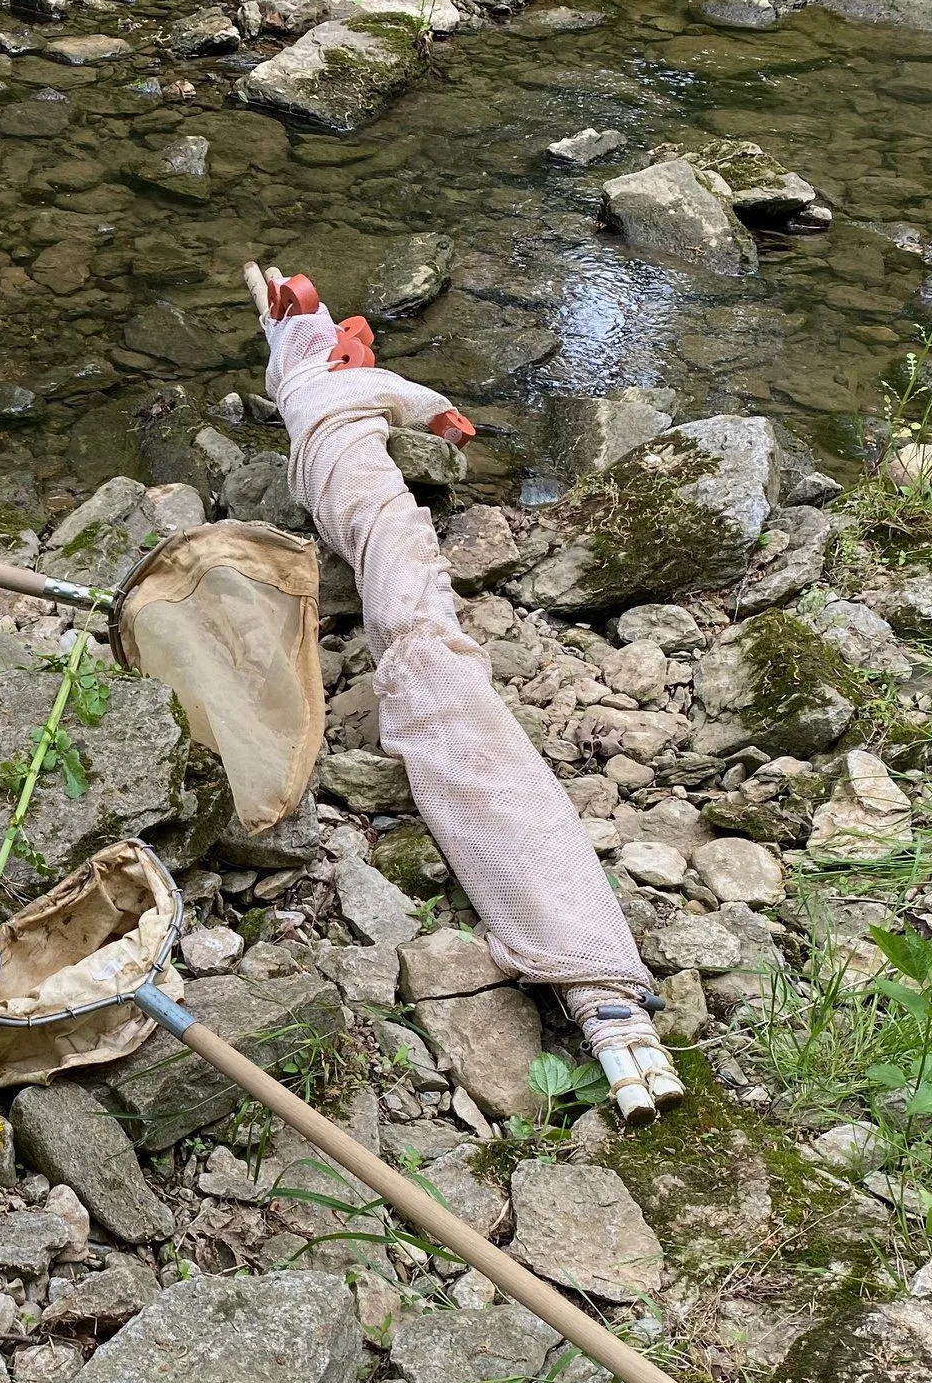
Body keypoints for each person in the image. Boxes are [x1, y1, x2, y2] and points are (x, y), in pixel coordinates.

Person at [249, 264, 684, 1123]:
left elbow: (399, 397)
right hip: (355, 489)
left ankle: (599, 984)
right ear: (345, 351)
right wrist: (445, 420)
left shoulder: (325, 382)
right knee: (416, 625)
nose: (361, 347)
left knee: (412, 615)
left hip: (337, 471)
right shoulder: (363, 380)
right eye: (352, 341)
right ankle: (597, 984)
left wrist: (309, 344)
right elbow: (438, 412)